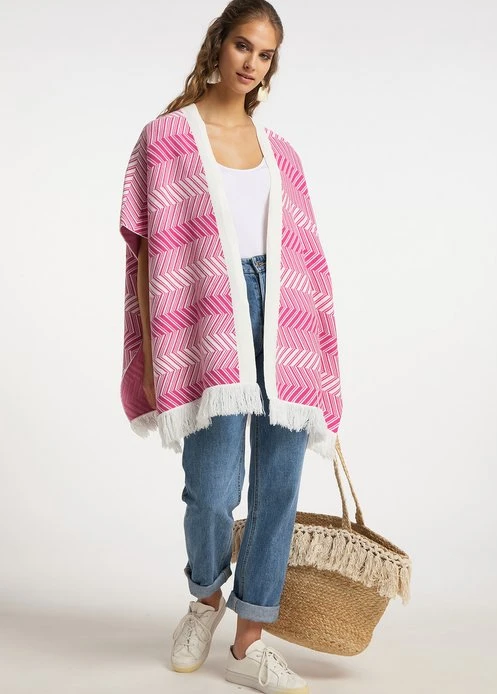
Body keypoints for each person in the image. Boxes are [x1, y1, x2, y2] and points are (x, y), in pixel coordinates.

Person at [119, 1, 343, 692]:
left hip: (285, 318)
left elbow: (309, 258)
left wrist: (319, 354)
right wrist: (154, 351)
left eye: (265, 54)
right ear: (219, 44)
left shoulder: (283, 153)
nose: (251, 62)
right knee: (212, 488)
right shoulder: (165, 139)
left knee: (279, 486)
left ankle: (250, 639)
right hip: (208, 317)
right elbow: (147, 251)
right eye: (243, 45)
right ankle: (204, 599)